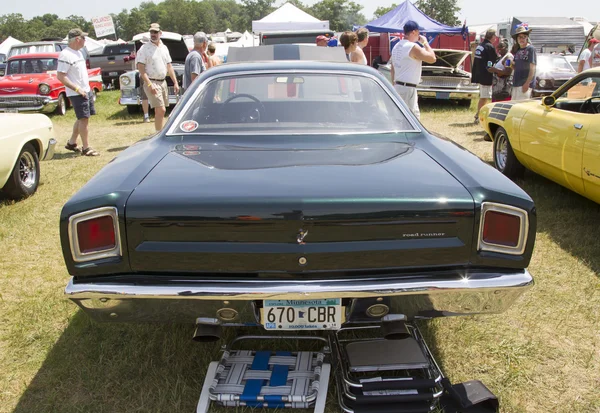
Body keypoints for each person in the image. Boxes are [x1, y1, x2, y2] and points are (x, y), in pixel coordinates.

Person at [57, 28, 99, 157]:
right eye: (83, 38)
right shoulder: (66, 54)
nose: (85, 40)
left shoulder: (79, 53)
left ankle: (72, 143)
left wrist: (86, 88)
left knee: (82, 118)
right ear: (77, 39)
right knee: (83, 119)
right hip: (77, 93)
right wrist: (77, 89)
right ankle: (86, 147)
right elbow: (61, 76)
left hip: (85, 90)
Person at [135, 23, 180, 132]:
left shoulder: (164, 47)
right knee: (161, 109)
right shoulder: (144, 48)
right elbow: (141, 68)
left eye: (155, 32)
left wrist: (175, 82)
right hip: (152, 81)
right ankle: (158, 135)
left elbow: (169, 66)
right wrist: (149, 84)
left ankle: (160, 132)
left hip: (163, 82)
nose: (153, 34)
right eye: (151, 32)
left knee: (162, 110)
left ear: (160, 33)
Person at [389, 20, 436, 119]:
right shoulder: (413, 47)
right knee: (412, 120)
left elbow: (393, 68)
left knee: (399, 118)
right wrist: (425, 43)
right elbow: (432, 58)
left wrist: (394, 83)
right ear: (414, 32)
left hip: (397, 85)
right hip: (408, 88)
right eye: (418, 33)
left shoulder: (396, 46)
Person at [471, 29, 498, 123]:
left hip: (479, 74)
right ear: (492, 36)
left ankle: (479, 115)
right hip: (486, 76)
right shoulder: (489, 46)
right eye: (495, 36)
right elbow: (494, 60)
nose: (496, 38)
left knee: (483, 96)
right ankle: (478, 116)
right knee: (484, 97)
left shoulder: (480, 45)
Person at [511, 25, 536, 100]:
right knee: (514, 106)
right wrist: (509, 64)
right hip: (516, 83)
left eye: (523, 37)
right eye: (519, 37)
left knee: (521, 106)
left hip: (524, 84)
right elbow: (515, 67)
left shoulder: (530, 49)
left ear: (527, 38)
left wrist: (527, 83)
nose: (521, 39)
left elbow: (533, 68)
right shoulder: (518, 50)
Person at [489, 38, 513, 103]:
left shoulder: (508, 58)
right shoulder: (500, 57)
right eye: (498, 47)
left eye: (501, 47)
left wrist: (495, 70)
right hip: (497, 88)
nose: (499, 49)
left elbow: (508, 71)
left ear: (506, 47)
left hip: (504, 89)